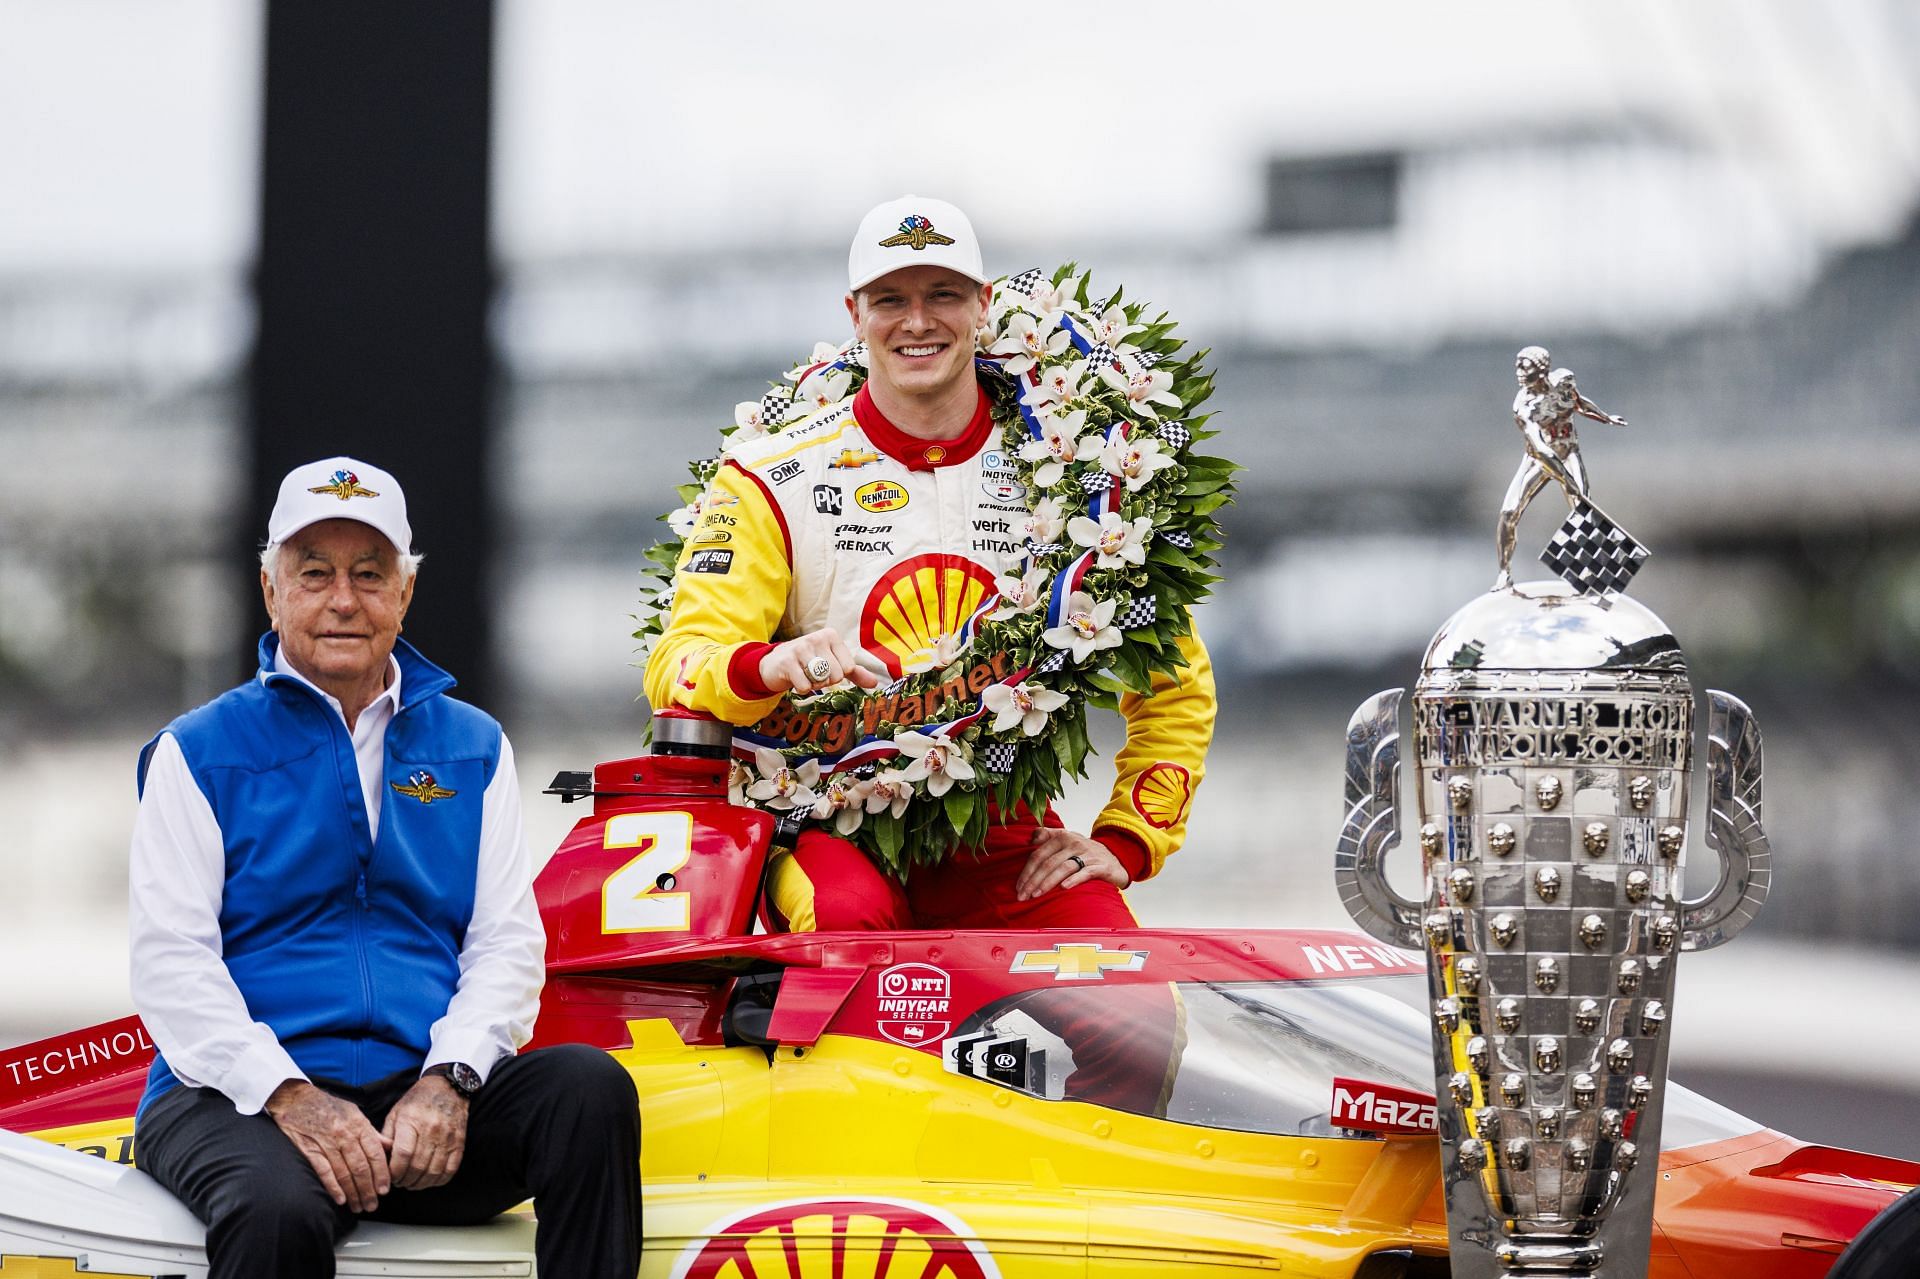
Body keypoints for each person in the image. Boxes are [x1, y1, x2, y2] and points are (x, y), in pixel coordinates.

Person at [643, 194, 1216, 938]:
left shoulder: (1083, 466)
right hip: (828, 823)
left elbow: (1173, 684)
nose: (918, 321)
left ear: (982, 304)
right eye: (891, 299)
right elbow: (679, 661)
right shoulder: (766, 474)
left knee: (1132, 1014)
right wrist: (771, 663)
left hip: (999, 828)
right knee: (849, 936)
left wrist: (1127, 838)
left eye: (942, 294)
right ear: (854, 314)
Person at [128, 457, 642, 1279]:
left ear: (405, 592)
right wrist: (292, 1097)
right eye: (315, 573)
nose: (343, 599)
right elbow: (171, 966)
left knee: (587, 1090)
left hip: (416, 1105)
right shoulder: (198, 752)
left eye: (370, 574)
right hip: (238, 1103)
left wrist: (449, 1080)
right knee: (276, 1210)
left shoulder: (473, 745)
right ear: (270, 590)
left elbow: (505, 943)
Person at [1493, 346, 1630, 589]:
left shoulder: (1564, 383)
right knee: (1509, 512)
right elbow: (1541, 449)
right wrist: (1566, 479)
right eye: (1518, 365)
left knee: (1583, 509)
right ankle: (1504, 573)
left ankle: (1592, 573)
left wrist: (1606, 417)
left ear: (1542, 368)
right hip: (1538, 460)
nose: (1519, 371)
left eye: (1525, 365)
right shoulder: (1524, 407)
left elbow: (1579, 403)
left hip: (1568, 452)